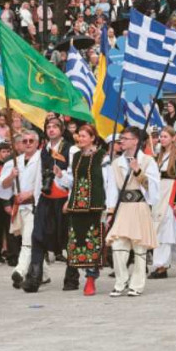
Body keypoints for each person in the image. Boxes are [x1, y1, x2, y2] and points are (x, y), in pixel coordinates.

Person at [21, 119, 77, 293]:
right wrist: (37, 200)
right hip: (46, 199)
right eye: (48, 127)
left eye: (55, 127)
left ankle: (72, 278)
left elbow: (74, 177)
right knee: (37, 236)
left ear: (61, 130)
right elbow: (39, 178)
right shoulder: (43, 151)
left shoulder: (71, 149)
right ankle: (34, 278)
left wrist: (71, 198)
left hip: (63, 199)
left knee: (68, 239)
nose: (51, 130)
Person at [103, 127, 160, 296]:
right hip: (122, 208)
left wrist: (138, 171)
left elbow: (154, 188)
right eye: (121, 139)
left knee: (139, 247)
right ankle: (121, 281)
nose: (122, 141)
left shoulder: (148, 161)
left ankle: (137, 284)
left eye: (125, 138)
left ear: (135, 141)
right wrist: (111, 211)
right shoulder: (116, 163)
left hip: (139, 206)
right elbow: (112, 189)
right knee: (118, 245)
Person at [61, 125, 108, 296]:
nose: (80, 139)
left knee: (93, 241)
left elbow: (106, 181)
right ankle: (84, 274)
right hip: (77, 206)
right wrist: (60, 177)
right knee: (78, 242)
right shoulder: (76, 156)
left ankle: (91, 279)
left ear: (92, 137)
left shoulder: (103, 156)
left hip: (94, 205)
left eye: (83, 136)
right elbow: (73, 181)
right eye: (79, 136)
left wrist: (108, 205)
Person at [0, 129, 45, 290]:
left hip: (36, 206)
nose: (28, 144)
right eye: (25, 141)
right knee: (32, 240)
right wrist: (11, 176)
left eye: (31, 141)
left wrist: (31, 193)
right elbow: (1, 187)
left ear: (37, 143)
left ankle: (20, 270)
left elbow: (46, 182)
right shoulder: (14, 162)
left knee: (28, 240)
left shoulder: (42, 159)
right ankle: (44, 274)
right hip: (20, 207)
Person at [148, 127, 176, 279]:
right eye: (161, 136)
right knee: (168, 231)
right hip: (159, 193)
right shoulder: (159, 155)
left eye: (165, 136)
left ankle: (161, 266)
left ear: (173, 138)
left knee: (165, 230)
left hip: (171, 193)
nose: (162, 139)